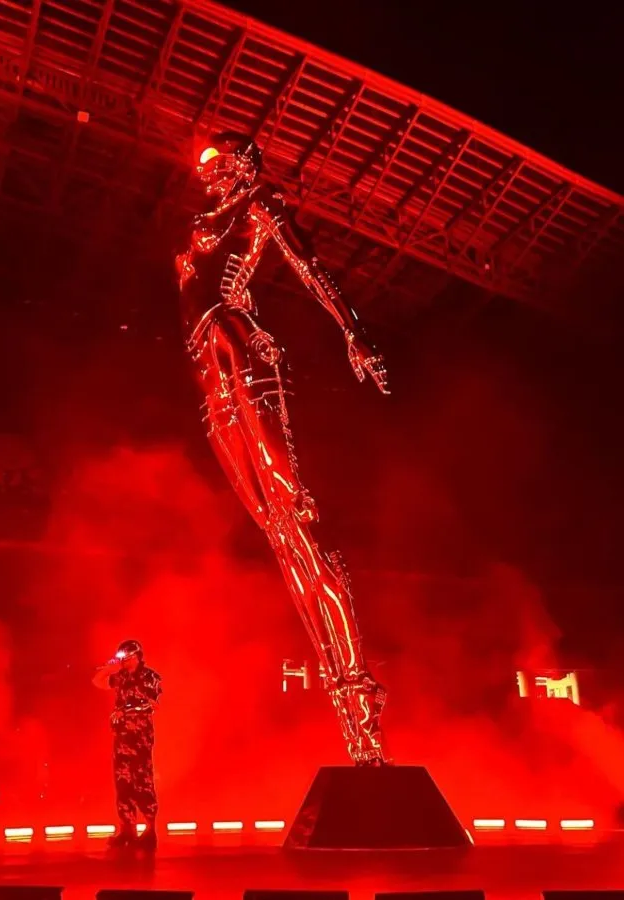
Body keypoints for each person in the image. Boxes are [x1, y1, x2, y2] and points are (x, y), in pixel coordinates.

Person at [175, 131, 389, 764]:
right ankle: (348, 715)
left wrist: (355, 332)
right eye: (205, 163)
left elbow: (310, 267)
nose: (210, 170)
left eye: (222, 160)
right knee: (276, 535)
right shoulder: (197, 222)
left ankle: (361, 703)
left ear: (247, 163)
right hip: (209, 376)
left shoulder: (261, 203)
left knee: (297, 519)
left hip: (245, 352)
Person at [93, 639, 161, 848]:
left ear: (136, 657)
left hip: (139, 737)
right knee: (123, 783)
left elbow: (153, 705)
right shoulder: (121, 677)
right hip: (122, 738)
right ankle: (127, 829)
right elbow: (98, 682)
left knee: (143, 782)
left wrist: (126, 711)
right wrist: (107, 669)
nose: (123, 662)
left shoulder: (150, 676)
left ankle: (150, 829)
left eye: (126, 658)